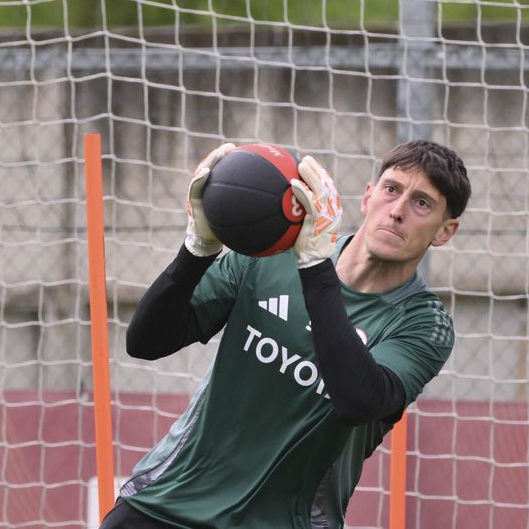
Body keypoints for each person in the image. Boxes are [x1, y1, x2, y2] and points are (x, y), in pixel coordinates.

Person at [99, 139, 471, 529]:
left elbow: (358, 401)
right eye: (391, 189)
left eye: (422, 203)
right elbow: (145, 342)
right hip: (166, 505)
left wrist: (313, 267)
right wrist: (197, 249)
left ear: (445, 231)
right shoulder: (269, 254)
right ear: (367, 197)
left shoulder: (424, 324)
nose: (397, 211)